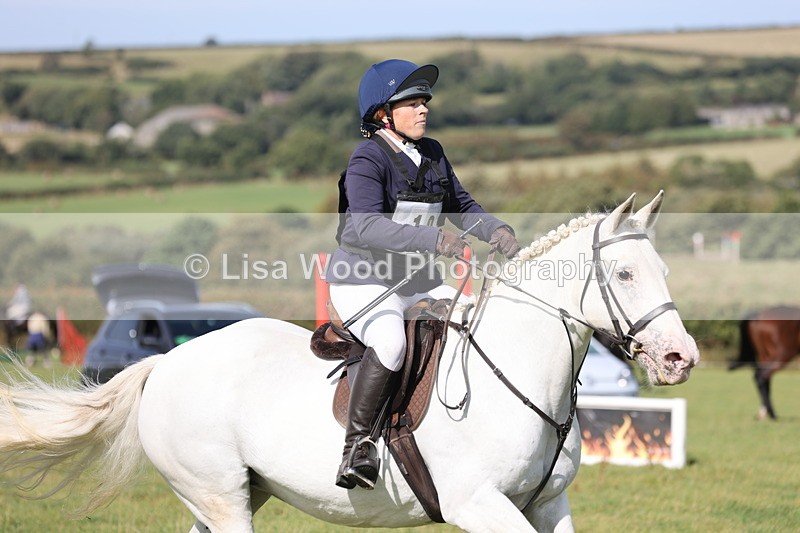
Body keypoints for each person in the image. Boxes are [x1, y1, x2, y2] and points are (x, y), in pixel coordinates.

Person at [327, 59, 520, 490]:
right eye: (411, 102)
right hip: (364, 280)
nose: (423, 109)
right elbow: (364, 226)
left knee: (474, 317)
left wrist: (496, 229)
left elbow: (462, 207)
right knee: (391, 342)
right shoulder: (368, 158)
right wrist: (434, 242)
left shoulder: (432, 154)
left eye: (424, 101)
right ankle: (357, 447)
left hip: (415, 280)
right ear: (383, 114)